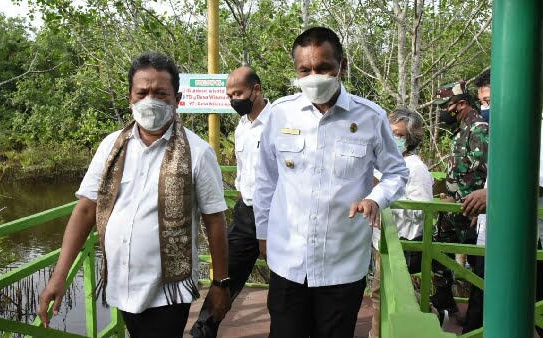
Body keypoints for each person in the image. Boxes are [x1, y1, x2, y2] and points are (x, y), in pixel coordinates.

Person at [36, 52, 231, 338]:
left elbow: (215, 219)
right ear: (130, 97)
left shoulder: (198, 152)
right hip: (122, 283)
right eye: (142, 92)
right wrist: (59, 275)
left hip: (167, 289)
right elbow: (86, 209)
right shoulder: (111, 147)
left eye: (160, 93)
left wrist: (220, 282)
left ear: (177, 100)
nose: (150, 100)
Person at [253, 26, 408, 338]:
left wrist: (376, 198)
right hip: (288, 261)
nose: (314, 76)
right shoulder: (280, 115)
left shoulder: (370, 117)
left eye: (323, 68)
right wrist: (263, 234)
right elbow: (266, 180)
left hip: (342, 263)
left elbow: (396, 173)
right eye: (305, 69)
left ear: (342, 66)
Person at [189, 67, 271, 338]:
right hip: (246, 213)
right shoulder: (242, 126)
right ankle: (203, 330)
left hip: (277, 214)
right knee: (225, 277)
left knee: (286, 286)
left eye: (238, 93)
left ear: (256, 90)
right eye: (229, 95)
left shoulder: (278, 123)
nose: (233, 99)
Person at [460, 69, 543, 336]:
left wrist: (492, 196)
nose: (487, 109)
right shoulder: (499, 132)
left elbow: (537, 180)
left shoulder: (537, 129)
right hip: (493, 236)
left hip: (525, 245)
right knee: (481, 305)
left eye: (492, 101)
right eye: (484, 102)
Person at [369, 108, 434, 338]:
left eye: (399, 134)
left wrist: (386, 194)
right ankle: (433, 315)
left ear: (410, 138)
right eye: (389, 132)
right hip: (381, 240)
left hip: (403, 242)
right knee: (381, 294)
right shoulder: (382, 162)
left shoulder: (416, 168)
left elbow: (422, 210)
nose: (392, 138)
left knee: (384, 294)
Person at [431, 80, 488, 315]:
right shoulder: (461, 131)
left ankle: (477, 319)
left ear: (461, 104)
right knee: (438, 253)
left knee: (477, 270)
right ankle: (445, 302)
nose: (444, 112)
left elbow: (485, 174)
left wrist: (480, 209)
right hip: (454, 212)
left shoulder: (479, 129)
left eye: (446, 106)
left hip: (471, 213)